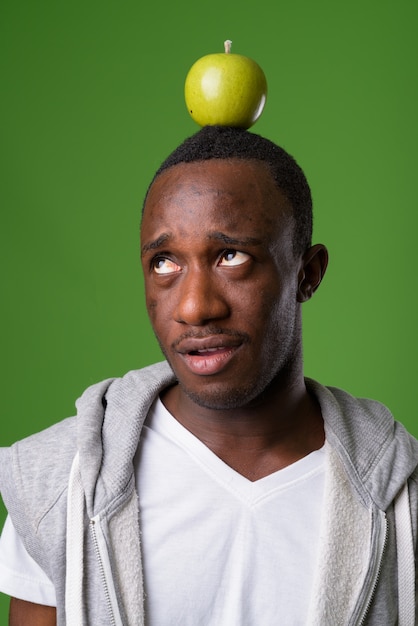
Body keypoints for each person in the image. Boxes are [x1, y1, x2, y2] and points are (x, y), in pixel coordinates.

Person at [0, 125, 417, 626]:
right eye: (165, 263)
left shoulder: (404, 504)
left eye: (231, 256)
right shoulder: (60, 486)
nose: (196, 307)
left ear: (308, 273)